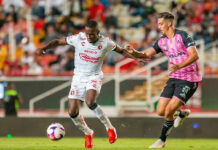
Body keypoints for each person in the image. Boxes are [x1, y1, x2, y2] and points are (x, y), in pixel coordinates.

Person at [36, 20, 135, 149]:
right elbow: (58, 41)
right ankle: (88, 133)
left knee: (90, 102)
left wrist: (136, 57)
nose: (89, 37)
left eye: (92, 34)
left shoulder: (106, 42)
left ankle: (110, 128)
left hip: (94, 76)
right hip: (78, 78)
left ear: (98, 33)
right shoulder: (78, 38)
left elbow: (122, 51)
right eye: (87, 34)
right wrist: (44, 48)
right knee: (72, 112)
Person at [125, 12, 202, 148]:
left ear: (169, 23)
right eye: (158, 23)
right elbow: (146, 54)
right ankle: (182, 113)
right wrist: (134, 52)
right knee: (160, 111)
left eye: (161, 24)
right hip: (174, 77)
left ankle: (161, 140)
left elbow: (194, 55)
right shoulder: (161, 41)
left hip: (189, 78)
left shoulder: (183, 36)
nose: (158, 26)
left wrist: (178, 65)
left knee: (168, 112)